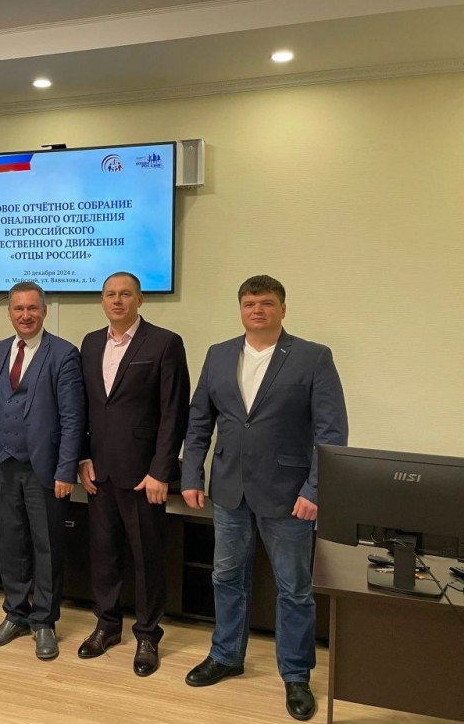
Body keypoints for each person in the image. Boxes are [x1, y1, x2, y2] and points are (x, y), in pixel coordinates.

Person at [181, 275, 348, 722]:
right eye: (250, 303)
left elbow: (332, 432)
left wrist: (315, 490)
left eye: (267, 303)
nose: (258, 310)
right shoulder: (218, 355)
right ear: (241, 309)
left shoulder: (313, 357)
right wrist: (191, 474)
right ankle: (226, 655)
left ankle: (296, 675)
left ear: (283, 309)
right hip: (229, 490)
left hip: (289, 496)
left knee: (293, 588)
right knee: (225, 577)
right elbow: (199, 422)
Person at [76, 272, 190, 676]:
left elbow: (175, 411)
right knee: (104, 554)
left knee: (146, 557)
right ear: (102, 301)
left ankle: (147, 634)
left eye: (126, 294)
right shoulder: (91, 343)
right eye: (110, 294)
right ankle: (107, 626)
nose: (117, 300)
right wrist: (82, 457)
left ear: (140, 299)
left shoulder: (164, 343)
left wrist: (162, 470)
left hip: (144, 475)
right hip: (99, 470)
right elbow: (86, 406)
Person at [0, 281, 85, 661]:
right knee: (11, 542)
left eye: (32, 308)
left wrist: (66, 470)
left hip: (46, 469)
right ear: (10, 312)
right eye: (19, 308)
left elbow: (73, 418)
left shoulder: (64, 354)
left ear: (44, 311)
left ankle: (44, 622)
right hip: (6, 464)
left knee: (47, 546)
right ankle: (15, 614)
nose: (26, 315)